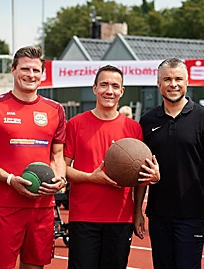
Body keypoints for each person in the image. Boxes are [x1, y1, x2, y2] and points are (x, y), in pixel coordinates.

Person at [0, 46, 67, 269]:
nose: (30, 75)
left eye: (35, 70)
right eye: (24, 69)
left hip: (42, 206)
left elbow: (58, 155)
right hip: (5, 206)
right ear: (13, 70)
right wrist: (9, 179)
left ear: (42, 74)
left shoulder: (55, 110)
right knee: (1, 266)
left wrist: (60, 179)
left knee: (35, 266)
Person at [64, 65, 160, 269]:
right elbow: (62, 169)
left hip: (120, 218)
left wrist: (137, 212)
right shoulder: (75, 124)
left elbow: (140, 177)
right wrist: (92, 177)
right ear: (94, 88)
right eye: (104, 85)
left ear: (122, 91)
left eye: (115, 86)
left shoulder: (133, 128)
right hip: (84, 217)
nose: (109, 91)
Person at [138, 58, 204, 269]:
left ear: (187, 82)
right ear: (158, 83)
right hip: (158, 213)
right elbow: (141, 170)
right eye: (167, 79)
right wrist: (136, 212)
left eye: (178, 78)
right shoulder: (148, 120)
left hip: (193, 213)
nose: (173, 84)